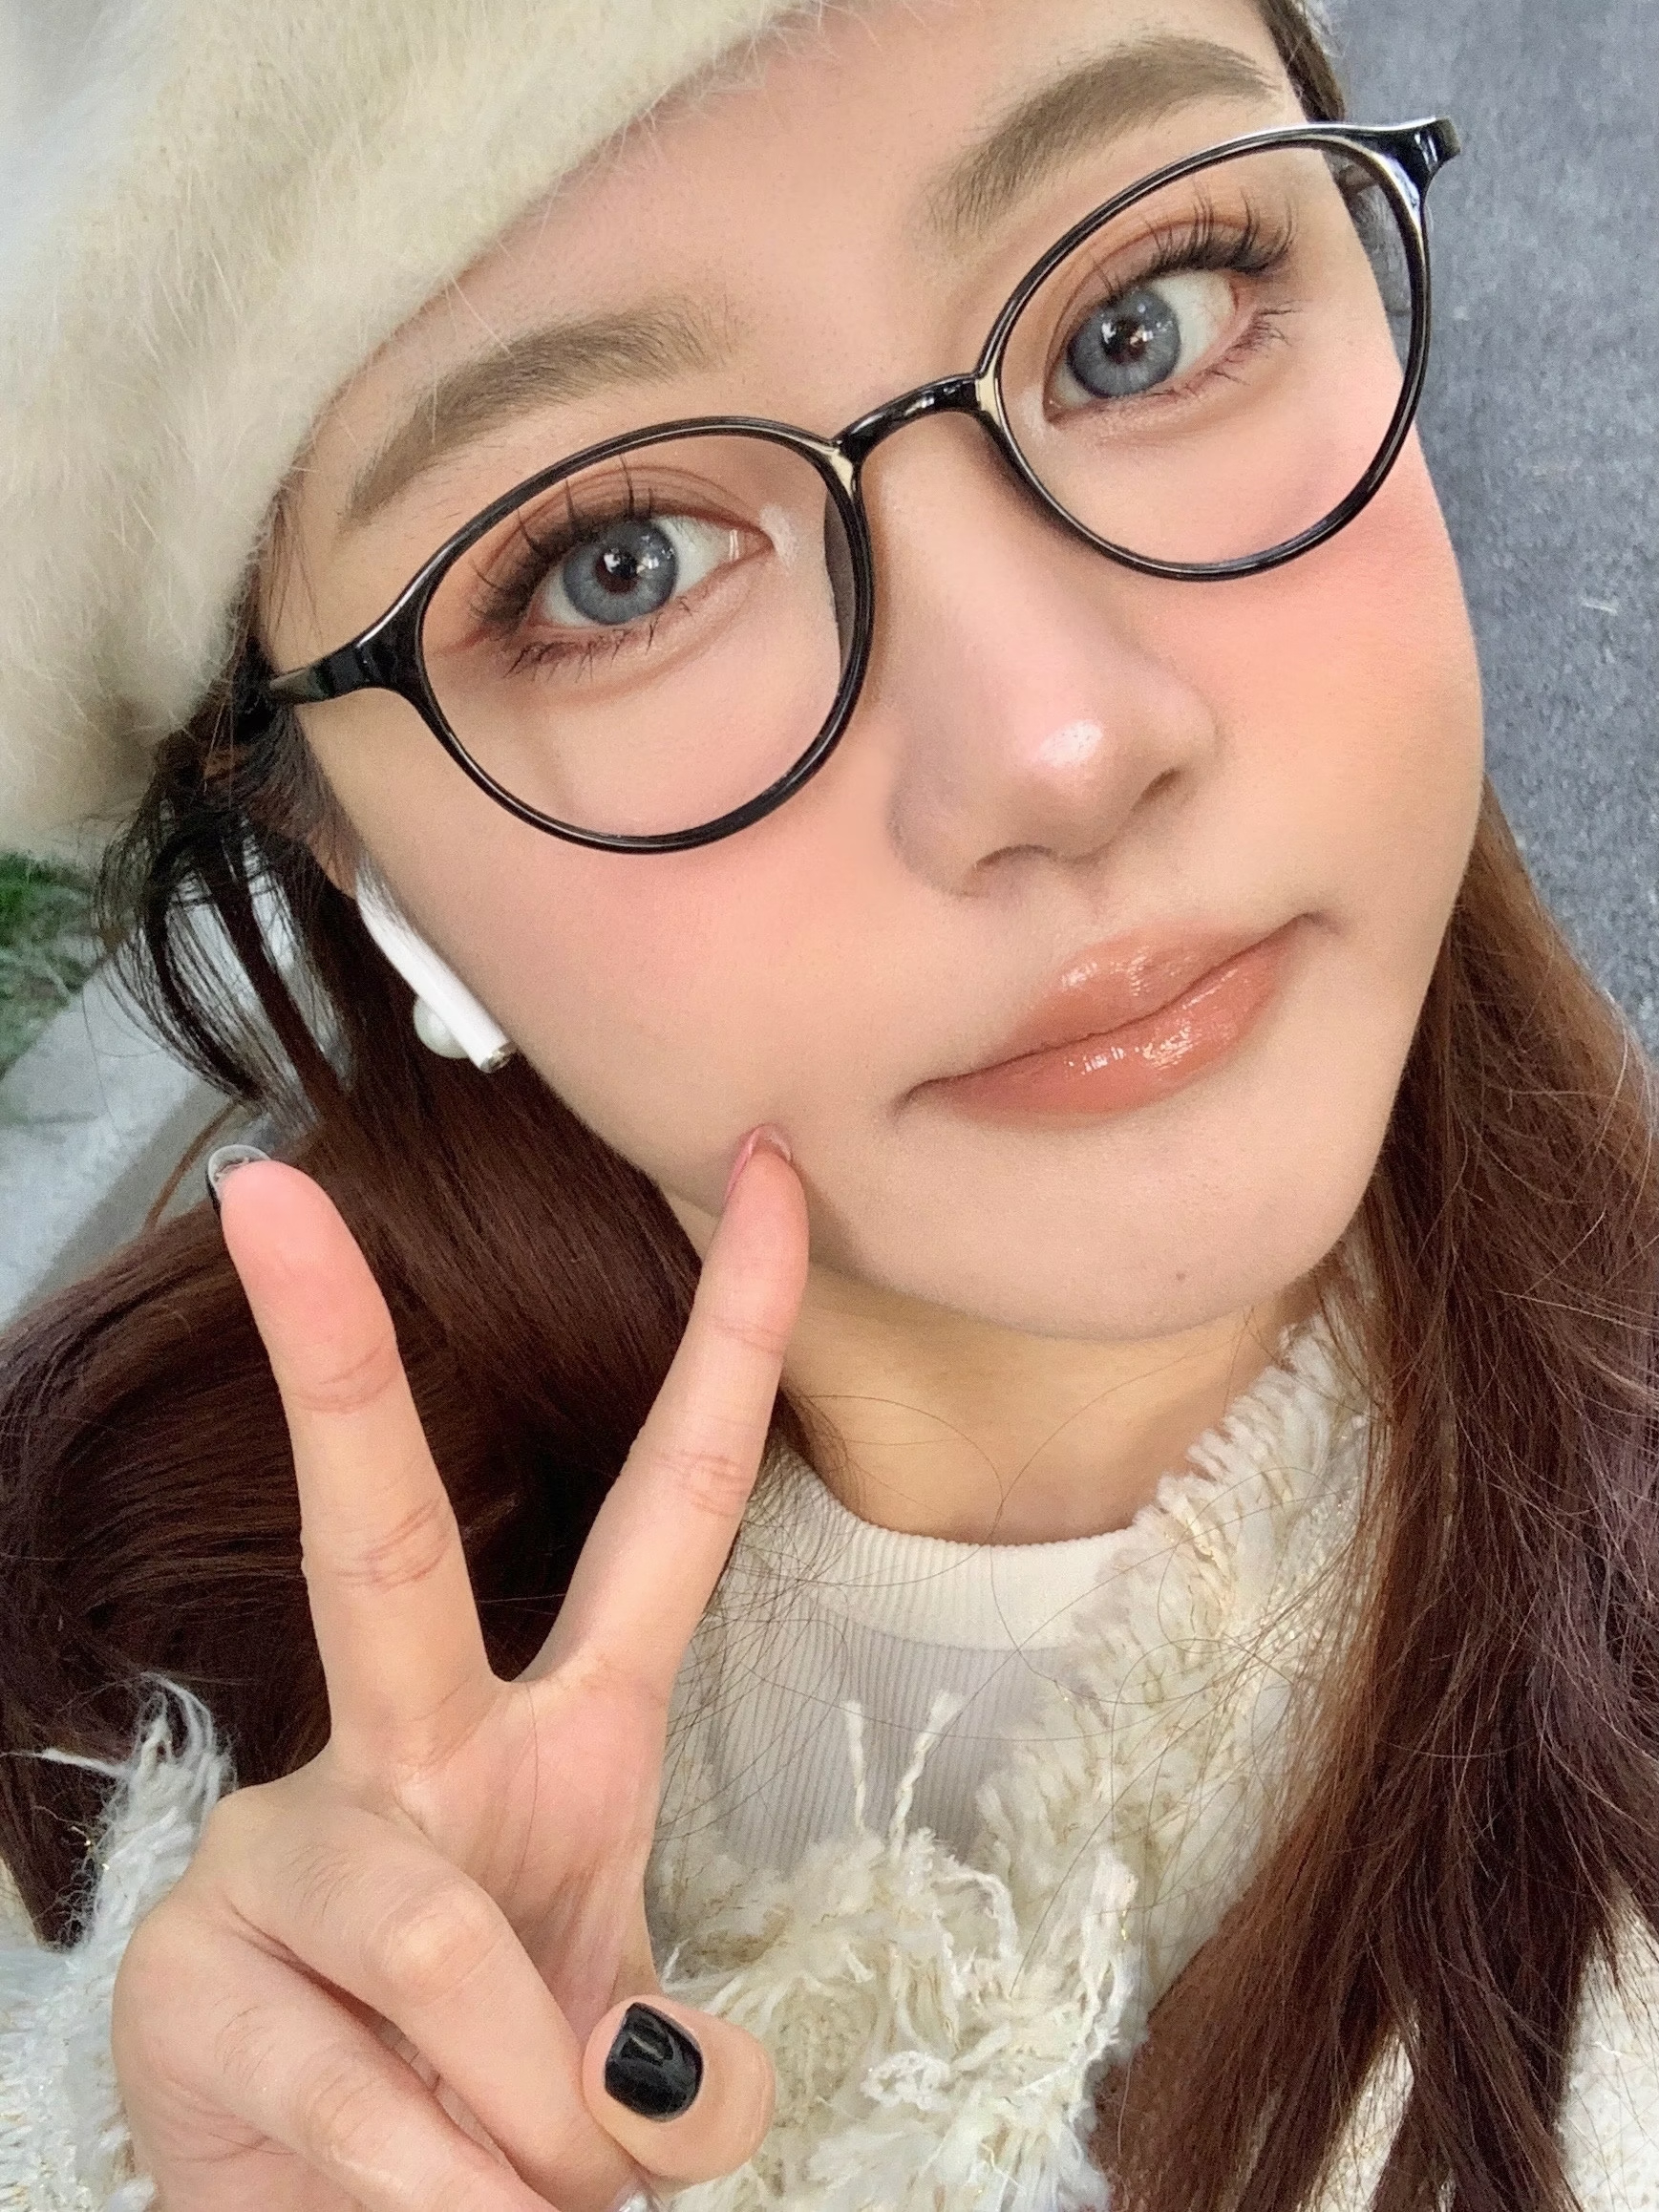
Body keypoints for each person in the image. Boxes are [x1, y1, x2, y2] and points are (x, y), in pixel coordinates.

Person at [0, 0, 1654, 2206]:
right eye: (619, 563)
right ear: (342, 844)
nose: (1058, 749)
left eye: (1143, 323)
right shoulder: (84, 1680)